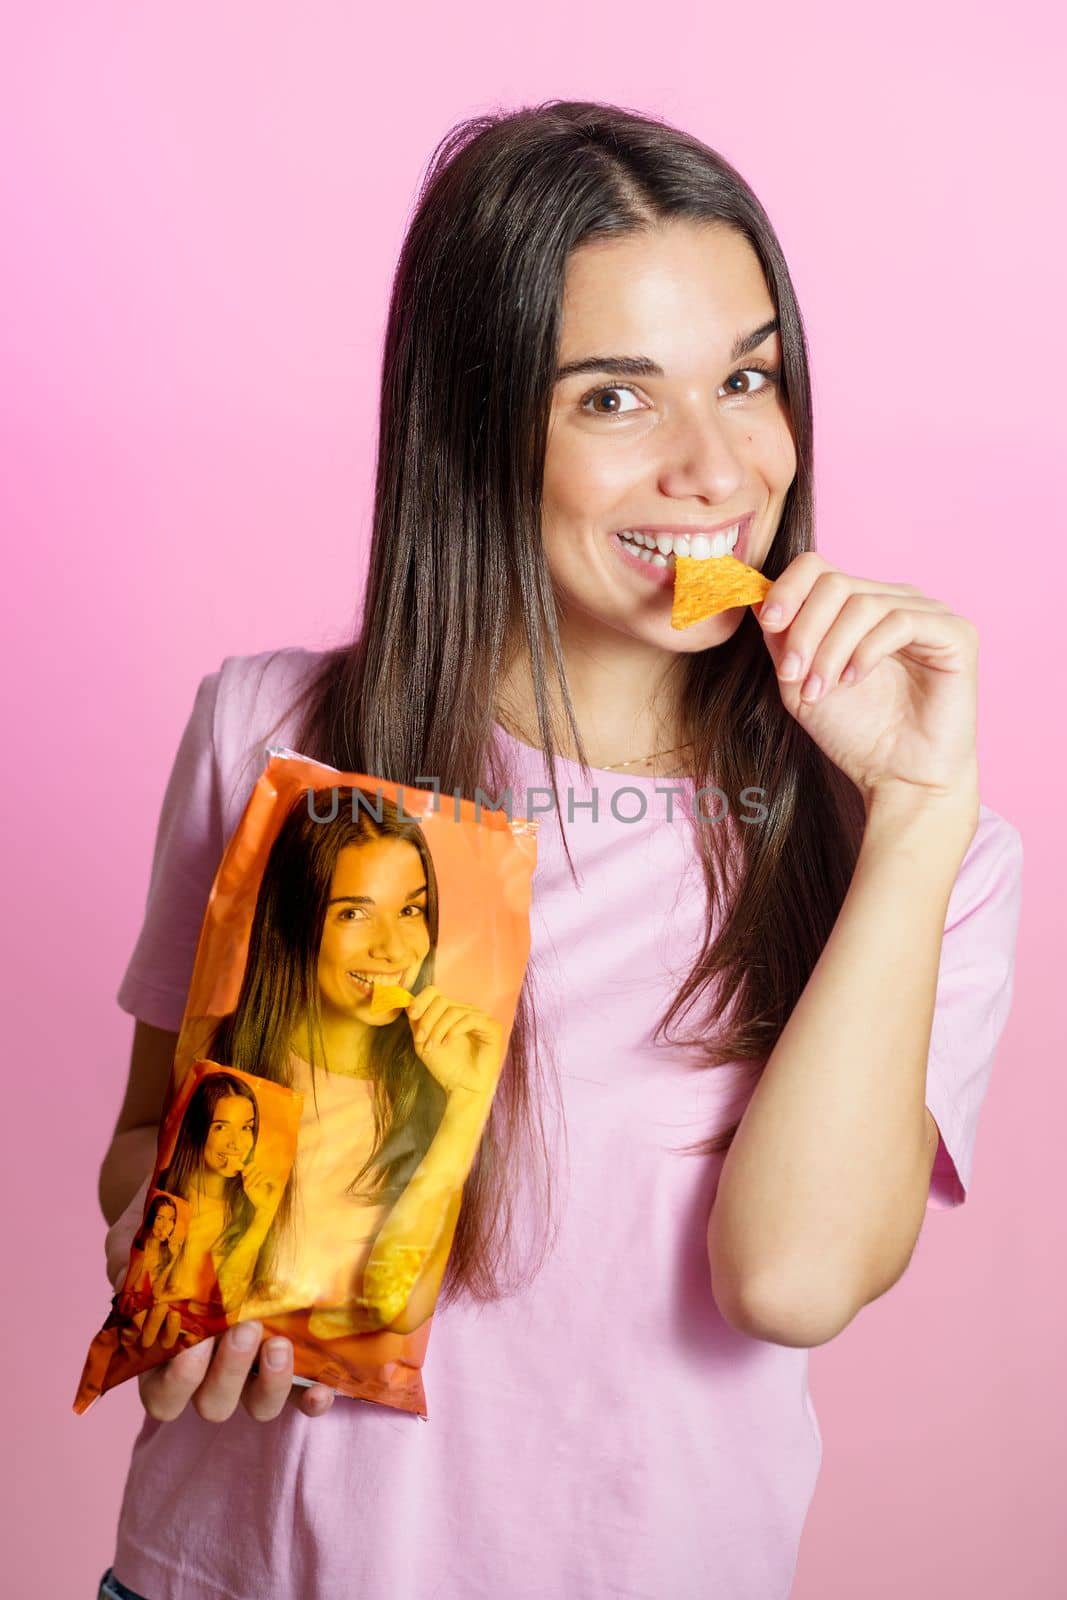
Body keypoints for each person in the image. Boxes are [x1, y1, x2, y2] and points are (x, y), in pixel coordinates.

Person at [95, 101, 1023, 1600]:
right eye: (614, 399)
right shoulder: (273, 728)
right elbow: (144, 1144)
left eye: (748, 376)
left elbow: (789, 1284)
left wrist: (911, 817)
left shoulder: (921, 850)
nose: (719, 471)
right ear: (475, 422)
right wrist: (192, 1249)